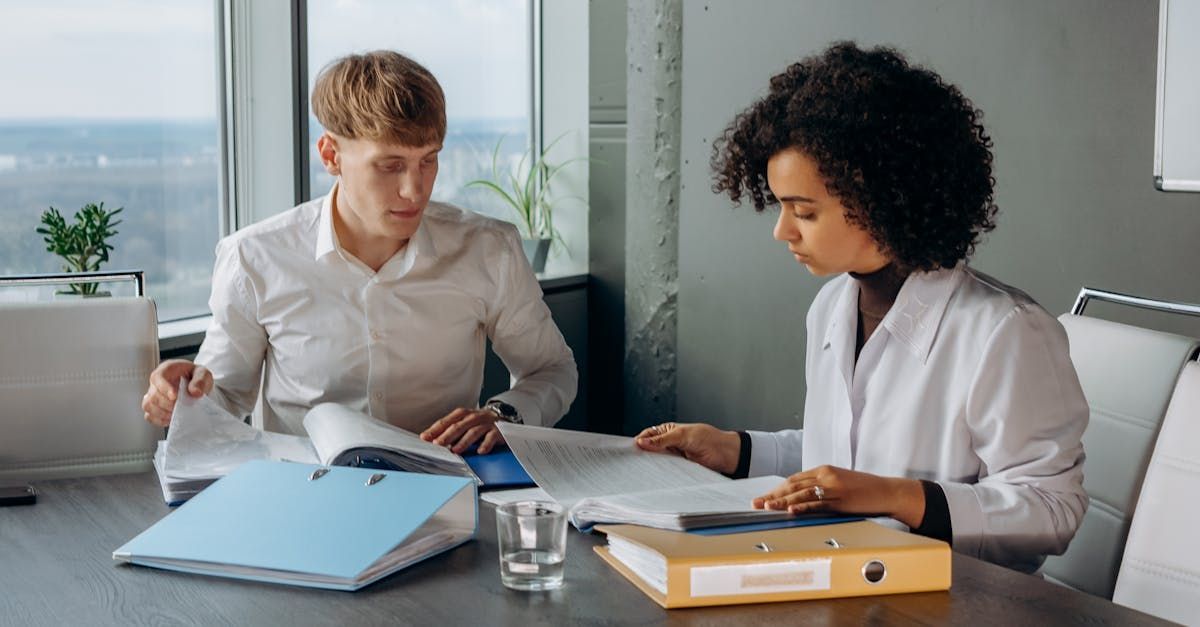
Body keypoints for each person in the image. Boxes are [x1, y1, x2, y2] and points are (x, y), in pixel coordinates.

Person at [635, 42, 1088, 573]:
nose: (782, 231)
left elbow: (1053, 510)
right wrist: (735, 450)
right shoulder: (831, 306)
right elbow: (846, 462)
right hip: (847, 580)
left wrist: (895, 497)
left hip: (956, 599)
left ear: (880, 200)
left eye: (803, 211)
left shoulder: (1005, 331)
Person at [141, 50, 577, 455]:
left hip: (447, 491)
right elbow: (224, 398)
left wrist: (504, 415)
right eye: (390, 165)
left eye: (428, 160)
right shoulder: (254, 258)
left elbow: (552, 370)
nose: (415, 189)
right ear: (331, 154)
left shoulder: (489, 250)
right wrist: (183, 396)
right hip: (303, 497)